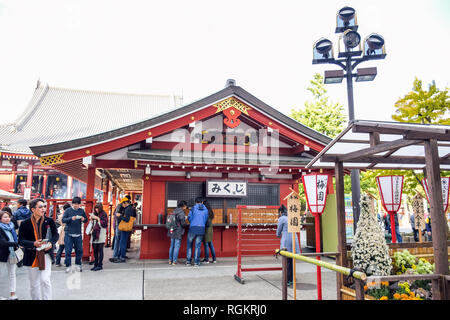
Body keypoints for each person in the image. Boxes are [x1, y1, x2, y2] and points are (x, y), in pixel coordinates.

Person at [18, 198, 58, 300]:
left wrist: (51, 243)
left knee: (45, 280)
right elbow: (21, 240)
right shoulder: (25, 223)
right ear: (33, 209)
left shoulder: (49, 221)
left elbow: (55, 235)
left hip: (46, 254)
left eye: (44, 206)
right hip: (31, 255)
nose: (43, 209)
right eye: (40, 207)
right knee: (34, 283)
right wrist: (33, 243)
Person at [62, 197, 87, 272]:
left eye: (77, 204)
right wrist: (71, 218)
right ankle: (68, 265)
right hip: (68, 233)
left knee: (79, 250)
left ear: (80, 204)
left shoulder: (81, 211)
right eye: (74, 204)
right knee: (68, 251)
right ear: (72, 204)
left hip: (78, 233)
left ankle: (78, 265)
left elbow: (86, 220)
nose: (76, 205)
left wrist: (83, 219)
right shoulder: (67, 210)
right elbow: (63, 220)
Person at [276, 204, 300, 287]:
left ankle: (288, 280)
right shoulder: (292, 217)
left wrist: (278, 234)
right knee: (292, 261)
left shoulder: (281, 219)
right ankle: (292, 279)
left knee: (287, 262)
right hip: (294, 240)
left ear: (280, 212)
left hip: (286, 241)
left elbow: (278, 232)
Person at [0, 210, 20, 300]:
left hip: (12, 253)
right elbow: (2, 242)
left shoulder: (11, 226)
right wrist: (17, 243)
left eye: (8, 217)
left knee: (12, 274)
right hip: (2, 254)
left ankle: (12, 294)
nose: (7, 219)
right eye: (5, 217)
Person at [185, 197, 208, 266]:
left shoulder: (193, 208)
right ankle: (196, 262)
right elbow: (206, 219)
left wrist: (192, 222)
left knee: (189, 245)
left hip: (193, 228)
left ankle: (188, 261)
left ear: (195, 202)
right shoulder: (206, 210)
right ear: (202, 202)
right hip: (201, 228)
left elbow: (189, 217)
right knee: (197, 246)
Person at [112, 197, 134, 263]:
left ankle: (122, 257)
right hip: (126, 227)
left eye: (122, 204)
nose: (122, 205)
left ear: (125, 203)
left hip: (125, 227)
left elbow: (127, 219)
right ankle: (120, 256)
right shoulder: (129, 208)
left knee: (122, 242)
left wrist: (119, 216)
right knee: (122, 241)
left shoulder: (128, 209)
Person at [166, 200, 188, 265]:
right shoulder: (181, 213)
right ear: (183, 206)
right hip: (178, 231)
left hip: (172, 230)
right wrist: (186, 224)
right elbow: (183, 223)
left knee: (172, 246)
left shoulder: (174, 211)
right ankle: (174, 261)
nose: (186, 207)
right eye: (185, 206)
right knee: (176, 246)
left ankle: (170, 260)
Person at [90, 203, 108, 271]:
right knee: (95, 250)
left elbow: (104, 224)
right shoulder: (94, 214)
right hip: (94, 234)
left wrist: (97, 218)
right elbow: (92, 224)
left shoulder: (104, 214)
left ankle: (100, 265)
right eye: (95, 208)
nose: (96, 210)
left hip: (101, 234)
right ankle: (96, 264)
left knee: (100, 250)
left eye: (97, 208)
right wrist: (92, 219)